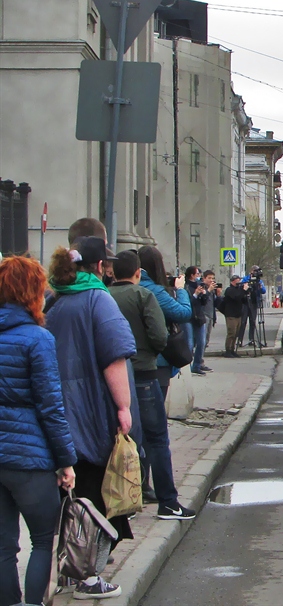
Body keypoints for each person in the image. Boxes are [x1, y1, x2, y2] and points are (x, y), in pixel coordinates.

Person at [46, 235, 135, 600]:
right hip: (93, 410)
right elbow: (114, 358)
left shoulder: (53, 300)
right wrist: (124, 407)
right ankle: (88, 575)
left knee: (71, 494)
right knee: (97, 495)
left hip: (56, 411)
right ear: (100, 267)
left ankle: (69, 571)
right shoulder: (99, 300)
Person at [0, 256, 77, 606]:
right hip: (29, 459)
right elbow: (51, 407)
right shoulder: (37, 338)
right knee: (43, 539)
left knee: (3, 546)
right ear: (32, 292)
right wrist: (66, 461)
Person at [108, 252, 197, 522]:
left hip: (113, 375)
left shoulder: (103, 296)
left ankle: (125, 501)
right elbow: (160, 337)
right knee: (156, 439)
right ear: (137, 273)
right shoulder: (143, 296)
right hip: (145, 373)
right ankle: (168, 502)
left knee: (123, 439)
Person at [137, 246, 191, 399]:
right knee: (155, 408)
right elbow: (183, 312)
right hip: (157, 360)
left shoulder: (127, 288)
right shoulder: (155, 291)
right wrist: (180, 290)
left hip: (132, 359)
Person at [188, 267, 216, 375]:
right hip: (199, 316)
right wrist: (206, 292)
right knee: (195, 342)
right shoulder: (196, 286)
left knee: (203, 342)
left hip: (207, 316)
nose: (211, 280)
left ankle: (199, 363)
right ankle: (194, 364)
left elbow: (211, 303)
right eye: (209, 278)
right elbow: (197, 302)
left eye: (212, 278)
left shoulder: (209, 288)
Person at [222, 275, 248, 357]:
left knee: (236, 333)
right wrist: (243, 290)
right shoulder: (230, 290)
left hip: (238, 314)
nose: (240, 281)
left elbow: (243, 300)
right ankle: (228, 350)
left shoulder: (238, 290)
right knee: (231, 333)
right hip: (231, 315)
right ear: (233, 281)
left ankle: (232, 349)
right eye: (238, 279)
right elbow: (236, 297)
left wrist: (246, 293)